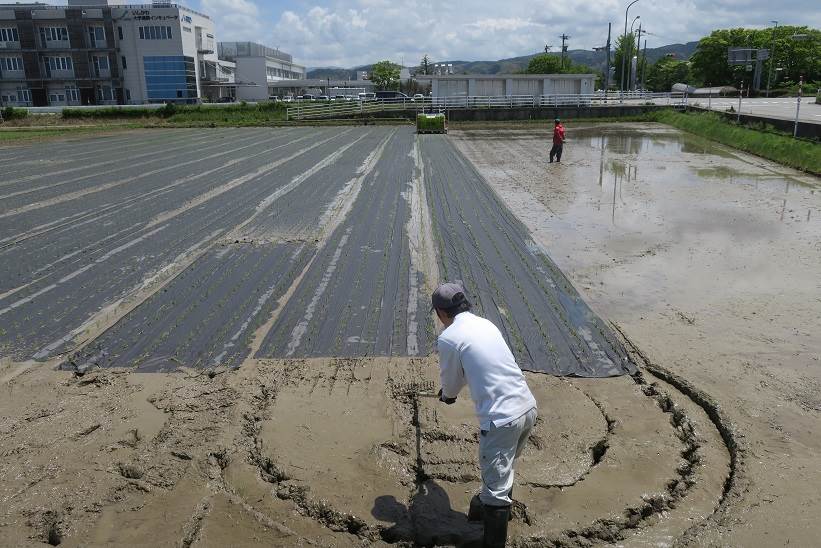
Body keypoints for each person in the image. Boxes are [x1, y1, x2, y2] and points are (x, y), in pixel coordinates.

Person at [431, 281, 538, 548]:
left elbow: (452, 385)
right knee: (504, 470)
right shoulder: (486, 324)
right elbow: (485, 366)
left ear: (440, 313)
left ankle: (493, 538)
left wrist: (447, 395)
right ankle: (489, 508)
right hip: (527, 407)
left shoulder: (449, 338)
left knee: (496, 489)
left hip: (502, 419)